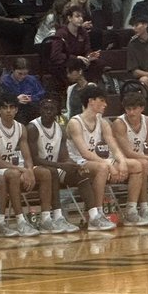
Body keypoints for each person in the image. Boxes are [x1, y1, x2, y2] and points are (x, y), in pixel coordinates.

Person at [0, 93, 55, 236]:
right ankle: (20, 221)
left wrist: (29, 170)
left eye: (12, 107)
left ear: (16, 110)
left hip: (16, 168)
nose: (8, 111)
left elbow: (27, 156)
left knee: (45, 173)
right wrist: (23, 170)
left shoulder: (21, 127)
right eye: (5, 108)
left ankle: (45, 218)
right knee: (14, 174)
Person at [25, 95, 98, 231]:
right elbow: (34, 158)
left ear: (57, 112)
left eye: (52, 109)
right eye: (45, 109)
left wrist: (75, 165)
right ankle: (56, 217)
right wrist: (61, 165)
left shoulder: (60, 129)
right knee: (51, 172)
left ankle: (94, 217)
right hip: (35, 169)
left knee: (81, 174)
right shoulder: (32, 128)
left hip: (54, 167)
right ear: (40, 110)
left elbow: (64, 157)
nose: (48, 112)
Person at [66, 85, 132, 230]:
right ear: (91, 101)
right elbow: (85, 153)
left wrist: (122, 161)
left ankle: (134, 211)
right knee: (102, 168)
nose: (105, 104)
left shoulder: (102, 122)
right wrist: (109, 165)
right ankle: (96, 215)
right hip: (77, 162)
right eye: (102, 100)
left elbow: (113, 146)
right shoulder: (75, 122)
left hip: (95, 161)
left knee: (136, 165)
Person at [110, 90, 148, 225]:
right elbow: (128, 153)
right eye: (128, 109)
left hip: (141, 160)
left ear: (142, 108)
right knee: (142, 163)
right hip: (119, 161)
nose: (131, 112)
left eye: (134, 109)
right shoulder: (119, 123)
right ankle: (136, 210)